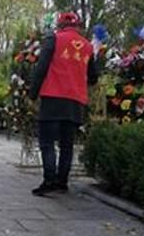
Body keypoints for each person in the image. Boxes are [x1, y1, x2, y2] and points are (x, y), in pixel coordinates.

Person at [29, 12, 99, 196]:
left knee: (47, 142)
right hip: (75, 101)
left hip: (52, 97)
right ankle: (62, 182)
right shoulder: (88, 46)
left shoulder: (53, 40)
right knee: (67, 144)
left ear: (60, 25)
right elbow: (93, 77)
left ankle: (49, 180)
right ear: (79, 26)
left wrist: (32, 93)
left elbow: (41, 67)